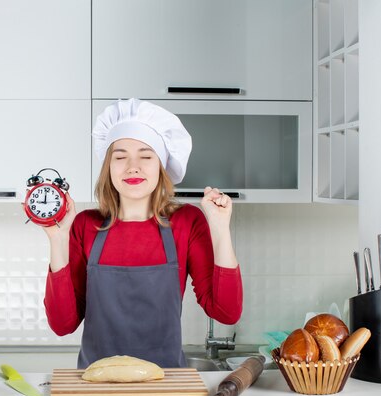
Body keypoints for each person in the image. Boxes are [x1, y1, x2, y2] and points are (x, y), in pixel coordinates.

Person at [41, 98, 242, 368]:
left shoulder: (186, 222)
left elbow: (227, 312)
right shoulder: (84, 225)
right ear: (107, 167)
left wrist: (219, 228)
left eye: (146, 156)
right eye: (120, 157)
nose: (132, 166)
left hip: (165, 383)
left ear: (161, 165)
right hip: (97, 387)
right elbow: (62, 325)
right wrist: (57, 238)